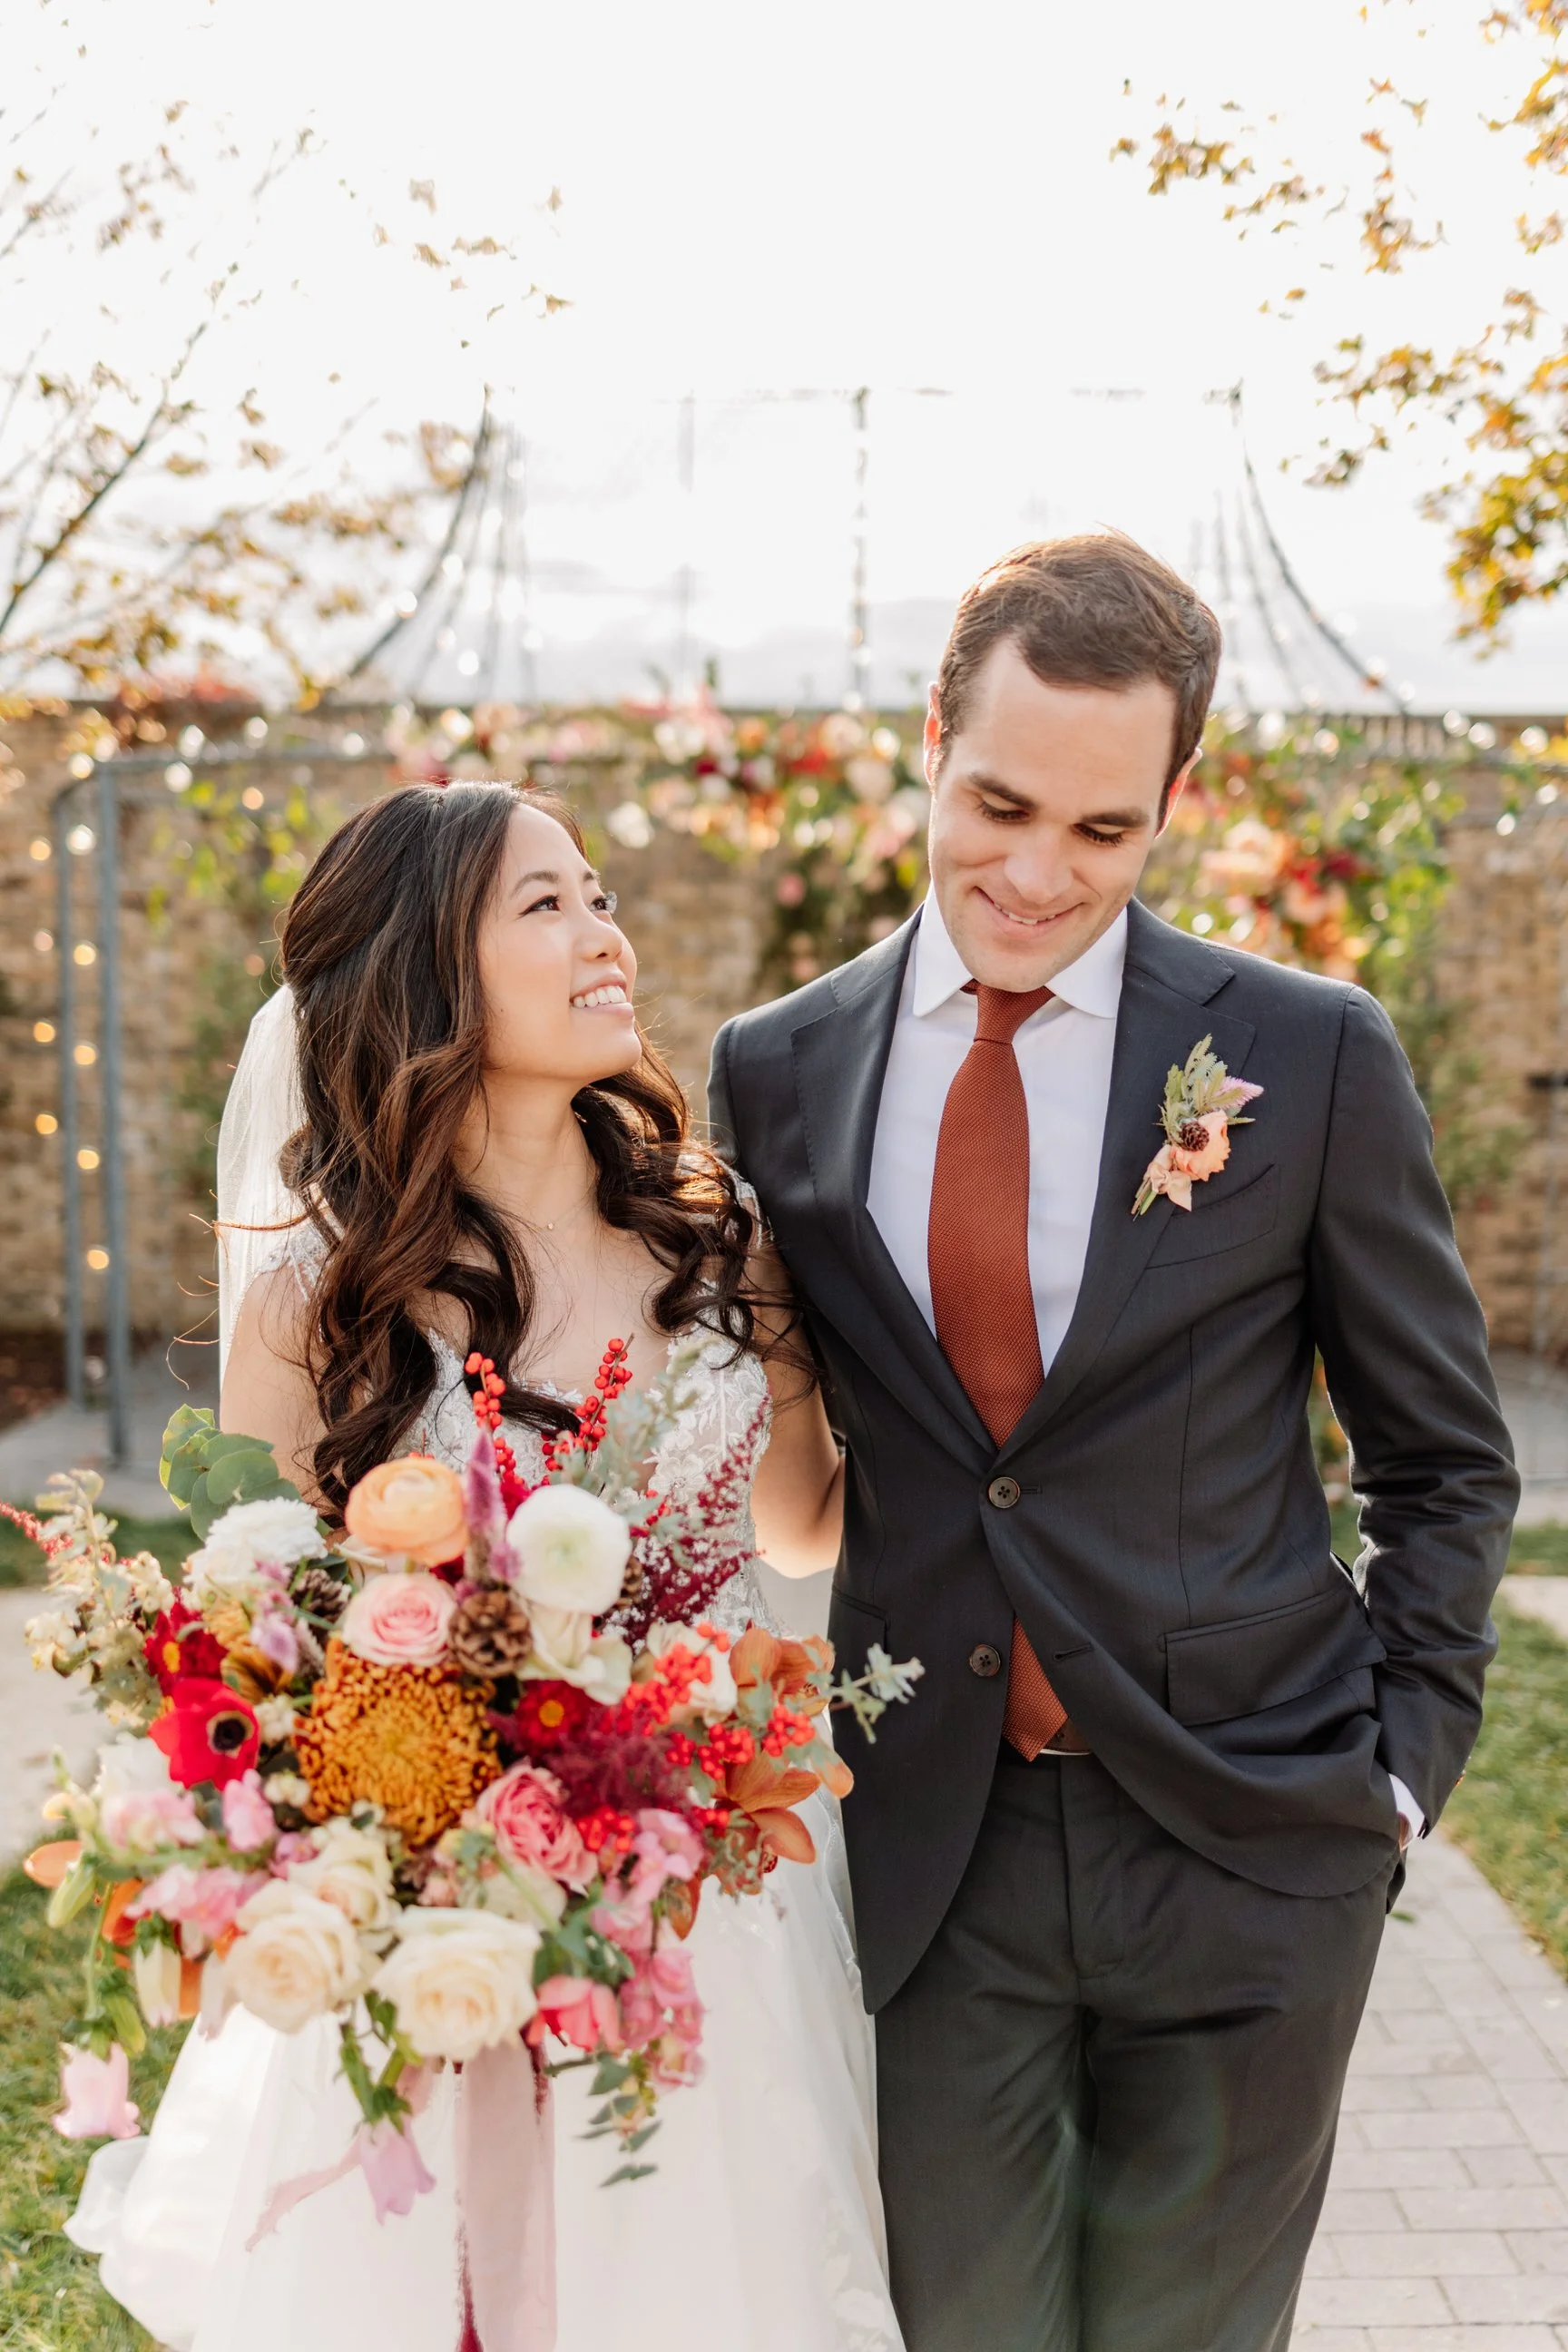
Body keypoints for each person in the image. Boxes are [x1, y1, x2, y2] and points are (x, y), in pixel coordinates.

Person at [708, 532, 1520, 2352]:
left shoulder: (1311, 1056)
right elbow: (787, 1458)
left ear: (1174, 802)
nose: (1033, 874)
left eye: (1102, 831)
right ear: (933, 737)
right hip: (933, 1855)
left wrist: (1396, 1782)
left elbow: (1444, 1460)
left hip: (1254, 1843)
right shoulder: (775, 1069)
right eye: (999, 806)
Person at [67, 781, 905, 2352]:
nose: (606, 936)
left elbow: (800, 1522)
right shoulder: (319, 1302)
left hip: (717, 1887)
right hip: (453, 1895)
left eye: (600, 896)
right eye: (547, 905)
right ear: (429, 969)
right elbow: (280, 1638)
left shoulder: (719, 1234)